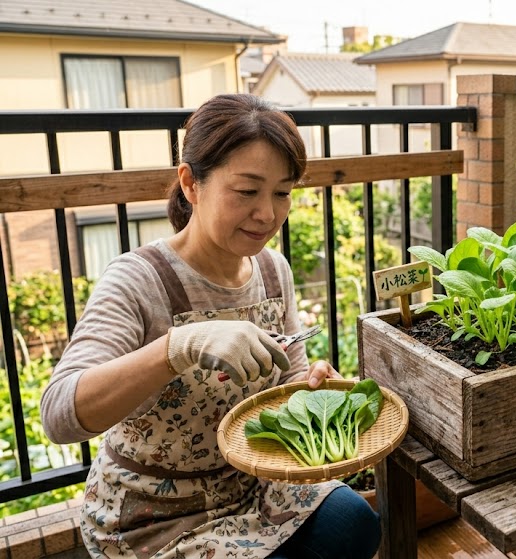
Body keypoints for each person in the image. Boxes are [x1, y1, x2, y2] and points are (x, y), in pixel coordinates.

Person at [41, 93, 381, 559]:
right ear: (190, 183)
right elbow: (58, 414)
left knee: (356, 523)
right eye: (247, 191)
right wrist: (178, 346)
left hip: (250, 487)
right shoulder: (140, 278)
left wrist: (309, 386)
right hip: (150, 516)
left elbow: (287, 379)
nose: (267, 213)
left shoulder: (270, 269)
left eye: (282, 192)